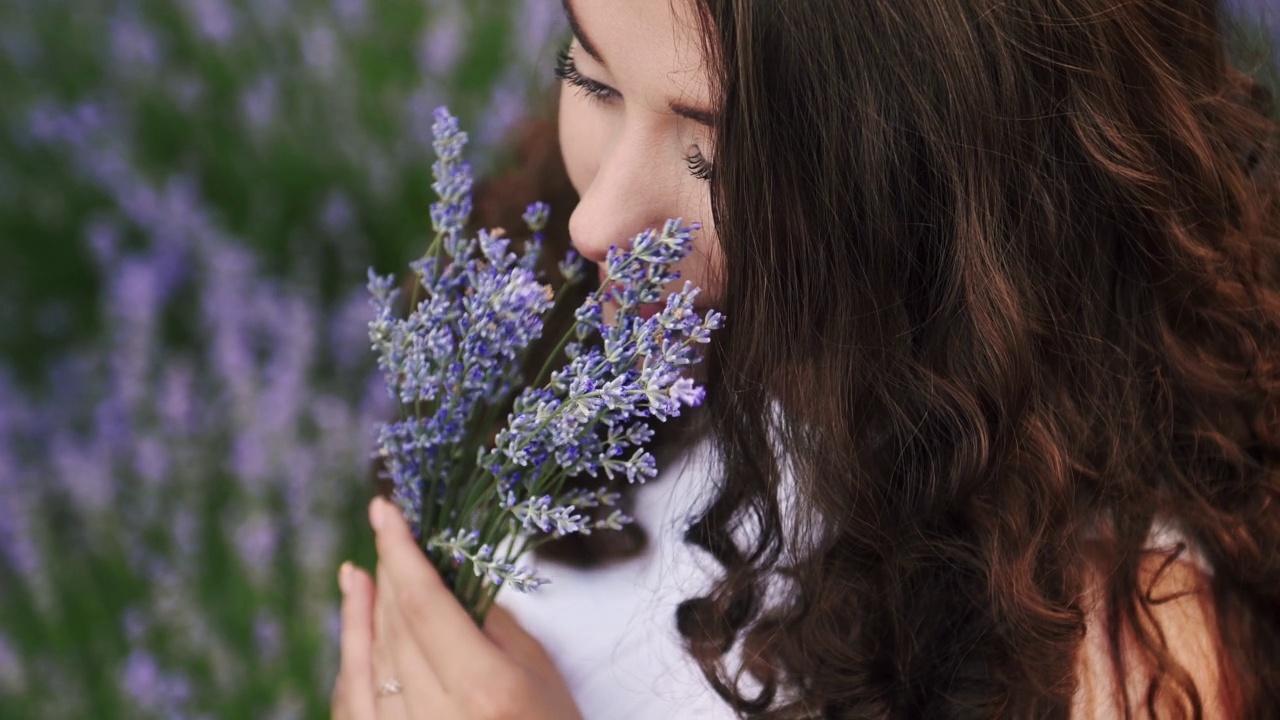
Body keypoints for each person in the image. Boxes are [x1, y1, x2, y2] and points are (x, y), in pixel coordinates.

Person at [331, 0, 1280, 717]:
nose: (596, 224)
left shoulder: (1128, 642)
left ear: (938, 178)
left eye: (717, 162)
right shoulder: (580, 316)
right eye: (594, 80)